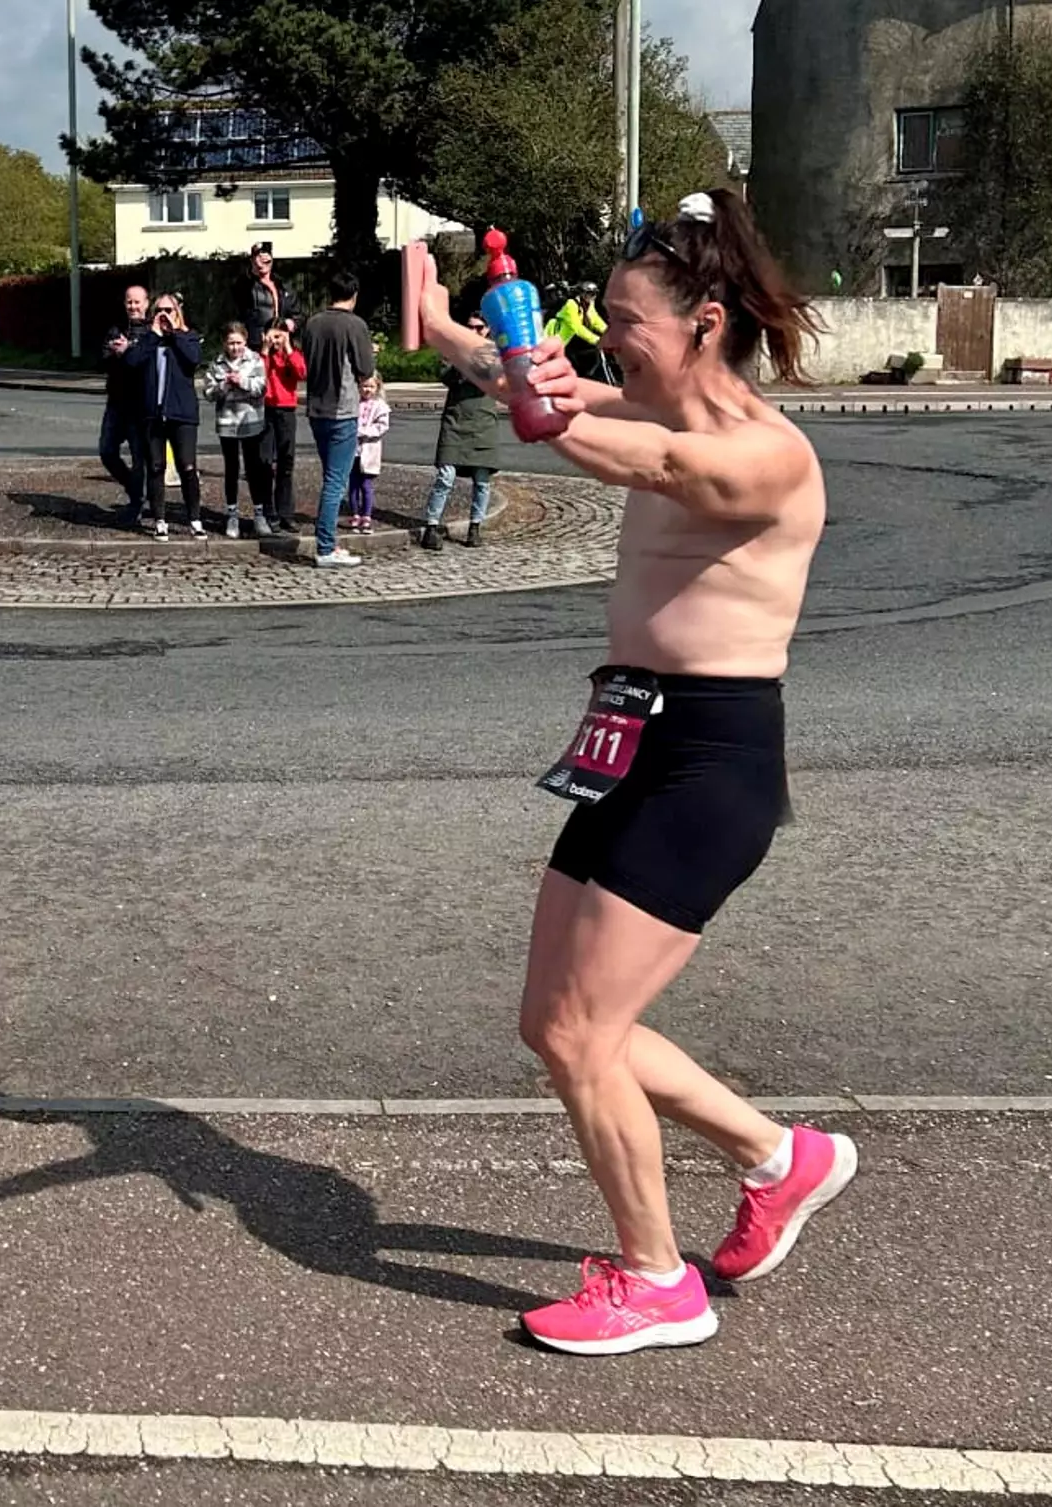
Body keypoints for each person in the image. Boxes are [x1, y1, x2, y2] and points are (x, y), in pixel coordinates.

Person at [418, 188, 856, 1357]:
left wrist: (536, 404)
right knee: (556, 1021)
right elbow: (541, 384)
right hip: (630, 740)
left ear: (706, 321)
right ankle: (780, 1157)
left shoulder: (765, 454)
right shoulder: (646, 393)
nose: (603, 337)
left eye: (624, 319)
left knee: (579, 1032)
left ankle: (657, 1281)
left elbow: (648, 457)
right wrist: (439, 317)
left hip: (711, 767)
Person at [300, 269, 377, 568]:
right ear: (354, 295)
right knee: (336, 481)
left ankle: (328, 541)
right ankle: (326, 546)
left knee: (330, 475)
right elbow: (365, 368)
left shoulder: (313, 323)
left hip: (316, 407)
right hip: (342, 409)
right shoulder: (354, 325)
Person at [124, 292, 203, 542]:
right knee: (156, 466)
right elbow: (132, 361)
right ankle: (159, 519)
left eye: (169, 310)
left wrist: (175, 333)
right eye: (160, 310)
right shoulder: (147, 339)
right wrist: (155, 334)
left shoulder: (188, 336)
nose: (165, 315)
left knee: (187, 467)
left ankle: (194, 519)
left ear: (178, 312)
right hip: (153, 414)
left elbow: (193, 360)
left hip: (182, 414)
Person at [421, 311, 498, 551]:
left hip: (482, 422)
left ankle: (475, 527)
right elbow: (445, 375)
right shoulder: (452, 348)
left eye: (479, 328)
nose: (474, 332)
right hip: (455, 420)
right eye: (470, 327)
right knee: (446, 476)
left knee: (482, 481)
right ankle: (431, 527)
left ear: (487, 329)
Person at [202, 321, 271, 539]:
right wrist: (224, 386)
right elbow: (208, 392)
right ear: (224, 343)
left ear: (246, 341)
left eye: (239, 343)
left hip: (250, 421)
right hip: (227, 422)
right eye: (231, 343)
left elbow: (262, 387)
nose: (235, 348)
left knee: (253, 468)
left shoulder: (255, 360)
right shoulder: (217, 363)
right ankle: (232, 514)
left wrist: (242, 382)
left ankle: (259, 514)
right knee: (231, 468)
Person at [99, 285, 150, 528]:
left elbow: (148, 363)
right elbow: (102, 360)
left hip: (141, 405)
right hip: (116, 402)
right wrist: (114, 353)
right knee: (107, 451)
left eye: (137, 302)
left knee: (140, 458)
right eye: (129, 302)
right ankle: (134, 489)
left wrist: (130, 352)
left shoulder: (152, 332)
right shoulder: (116, 329)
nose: (133, 307)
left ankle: (136, 503)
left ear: (146, 303)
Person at [261, 318, 305, 536]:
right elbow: (259, 376)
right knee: (266, 463)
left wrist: (287, 349)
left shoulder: (291, 354)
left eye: (279, 336)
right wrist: (265, 349)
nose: (275, 341)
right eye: (273, 336)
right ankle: (269, 513)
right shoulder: (263, 356)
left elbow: (301, 373)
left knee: (286, 463)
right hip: (266, 410)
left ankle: (286, 513)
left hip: (286, 410)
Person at [347, 372, 390, 534]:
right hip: (353, 450)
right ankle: (354, 513)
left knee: (366, 484)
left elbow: (382, 427)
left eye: (371, 386)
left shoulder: (380, 406)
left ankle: (366, 515)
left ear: (377, 387)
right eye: (364, 386)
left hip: (369, 450)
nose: (367, 390)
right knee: (353, 485)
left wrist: (364, 431)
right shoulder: (354, 404)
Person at [241, 243, 302, 354]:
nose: (262, 264)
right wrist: (254, 269)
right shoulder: (246, 286)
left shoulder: (283, 285)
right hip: (257, 345)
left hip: (282, 344)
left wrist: (293, 323)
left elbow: (298, 315)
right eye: (258, 258)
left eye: (266, 260)